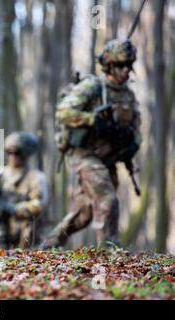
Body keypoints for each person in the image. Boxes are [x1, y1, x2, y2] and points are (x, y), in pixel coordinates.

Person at [41, 39, 141, 248]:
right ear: (109, 66)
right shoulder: (93, 87)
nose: (126, 71)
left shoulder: (128, 96)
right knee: (107, 199)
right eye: (121, 65)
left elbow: (135, 130)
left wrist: (131, 146)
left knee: (84, 213)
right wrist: (92, 119)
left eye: (129, 66)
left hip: (108, 158)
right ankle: (109, 253)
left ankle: (47, 246)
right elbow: (63, 112)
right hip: (84, 153)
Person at [0, 132, 49, 251]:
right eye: (9, 152)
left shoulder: (36, 177)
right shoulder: (1, 173)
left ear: (25, 154)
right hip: (0, 220)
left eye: (17, 153)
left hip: (23, 222)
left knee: (27, 236)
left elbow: (39, 205)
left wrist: (13, 208)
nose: (13, 156)